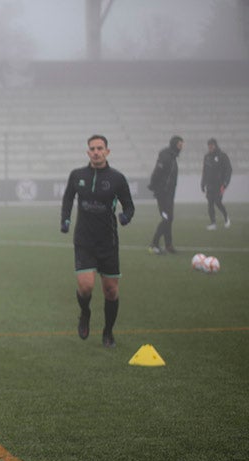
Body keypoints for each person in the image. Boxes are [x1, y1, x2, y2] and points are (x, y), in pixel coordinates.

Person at [61, 134, 135, 349]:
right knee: (86, 287)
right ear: (88, 152)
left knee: (111, 290)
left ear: (107, 151)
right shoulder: (77, 175)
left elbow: (129, 206)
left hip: (108, 242)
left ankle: (108, 332)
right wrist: (65, 219)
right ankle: (85, 312)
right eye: (92, 148)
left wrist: (125, 217)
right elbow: (67, 197)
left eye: (100, 148)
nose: (96, 151)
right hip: (84, 240)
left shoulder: (117, 178)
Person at [147, 135, 183, 255]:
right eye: (179, 144)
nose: (181, 147)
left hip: (169, 194)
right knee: (167, 218)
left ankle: (168, 245)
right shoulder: (166, 156)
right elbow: (158, 171)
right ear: (174, 144)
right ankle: (154, 244)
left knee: (168, 218)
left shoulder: (172, 157)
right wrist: (153, 185)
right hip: (163, 193)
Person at [201, 138, 232, 231]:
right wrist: (202, 183)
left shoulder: (222, 156)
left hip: (220, 185)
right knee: (210, 203)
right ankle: (213, 223)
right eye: (209, 145)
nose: (210, 147)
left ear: (215, 145)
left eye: (212, 145)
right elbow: (205, 171)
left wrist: (225, 183)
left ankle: (226, 218)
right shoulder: (207, 157)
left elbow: (228, 170)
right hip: (210, 185)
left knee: (218, 202)